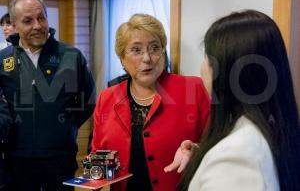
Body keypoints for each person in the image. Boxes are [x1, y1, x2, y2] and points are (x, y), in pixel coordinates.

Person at [175, 10, 300, 191]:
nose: (202, 68)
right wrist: (204, 157)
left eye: (207, 58)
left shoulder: (236, 156)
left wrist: (217, 160)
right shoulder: (270, 128)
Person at [91, 13, 210, 191]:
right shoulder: (107, 98)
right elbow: (97, 154)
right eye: (136, 50)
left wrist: (196, 150)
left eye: (154, 48)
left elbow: (217, 143)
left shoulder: (193, 88)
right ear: (122, 58)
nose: (147, 58)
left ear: (163, 52)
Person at [0, 0, 95, 190]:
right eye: (28, 20)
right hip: (17, 159)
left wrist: (65, 124)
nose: (37, 25)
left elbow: (88, 100)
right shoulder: (3, 60)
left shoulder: (71, 56)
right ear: (15, 25)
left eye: (41, 17)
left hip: (60, 157)